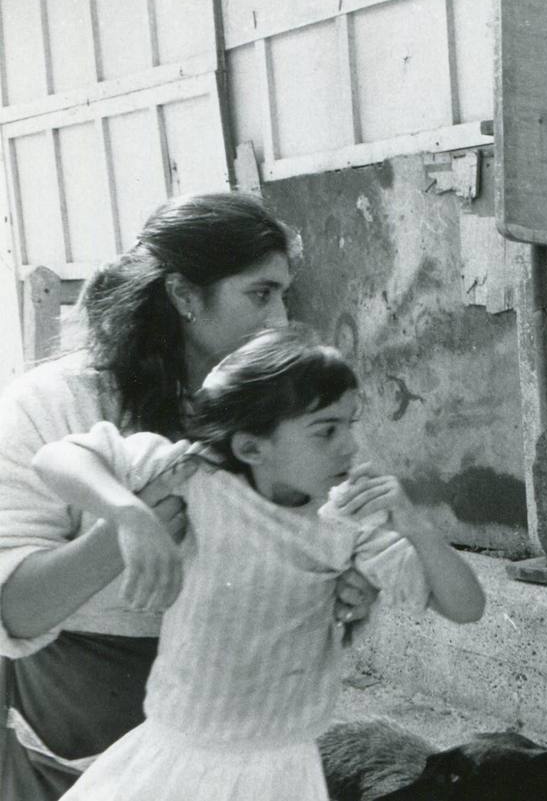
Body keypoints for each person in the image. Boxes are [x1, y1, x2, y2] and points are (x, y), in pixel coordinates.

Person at [0, 192, 379, 798]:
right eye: (260, 294)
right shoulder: (49, 404)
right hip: (76, 740)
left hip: (239, 738)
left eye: (284, 295)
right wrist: (132, 527)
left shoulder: (278, 406)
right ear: (182, 296)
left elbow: (317, 527)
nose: (279, 319)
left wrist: (338, 590)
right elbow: (13, 609)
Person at [33, 326, 486, 800]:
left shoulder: (346, 521)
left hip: (281, 769)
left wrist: (415, 526)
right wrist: (131, 516)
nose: (350, 446)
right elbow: (56, 459)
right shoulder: (194, 478)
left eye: (350, 424)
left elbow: (466, 606)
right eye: (326, 430)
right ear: (251, 447)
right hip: (179, 757)